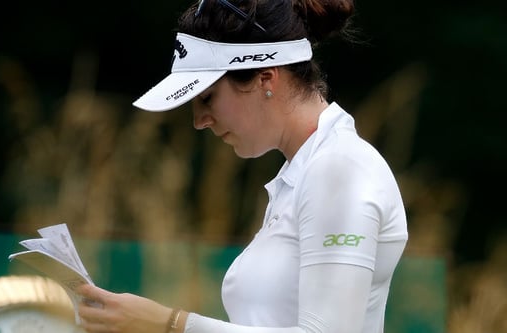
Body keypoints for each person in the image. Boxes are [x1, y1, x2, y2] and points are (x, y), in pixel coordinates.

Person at [76, 0, 408, 332]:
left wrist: (169, 324)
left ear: (265, 78)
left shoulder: (340, 168)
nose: (199, 121)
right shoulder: (303, 174)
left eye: (207, 98)